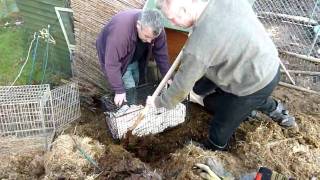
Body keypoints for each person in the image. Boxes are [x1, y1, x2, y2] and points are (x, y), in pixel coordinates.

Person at [147, 0, 297, 151]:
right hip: (269, 63)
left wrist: (158, 103)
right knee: (203, 91)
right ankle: (272, 110)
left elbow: (180, 89)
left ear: (184, 9)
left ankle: (215, 146)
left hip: (253, 83)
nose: (172, 22)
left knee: (222, 122)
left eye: (172, 18)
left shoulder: (198, 46)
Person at [96, 9, 171, 107]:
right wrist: (119, 90)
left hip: (133, 55)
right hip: (117, 57)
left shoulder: (157, 29)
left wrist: (168, 76)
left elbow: (162, 54)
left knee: (136, 79)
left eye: (152, 38)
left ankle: (133, 101)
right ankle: (129, 109)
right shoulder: (120, 33)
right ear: (138, 25)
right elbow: (112, 64)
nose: (149, 41)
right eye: (147, 36)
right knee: (129, 86)